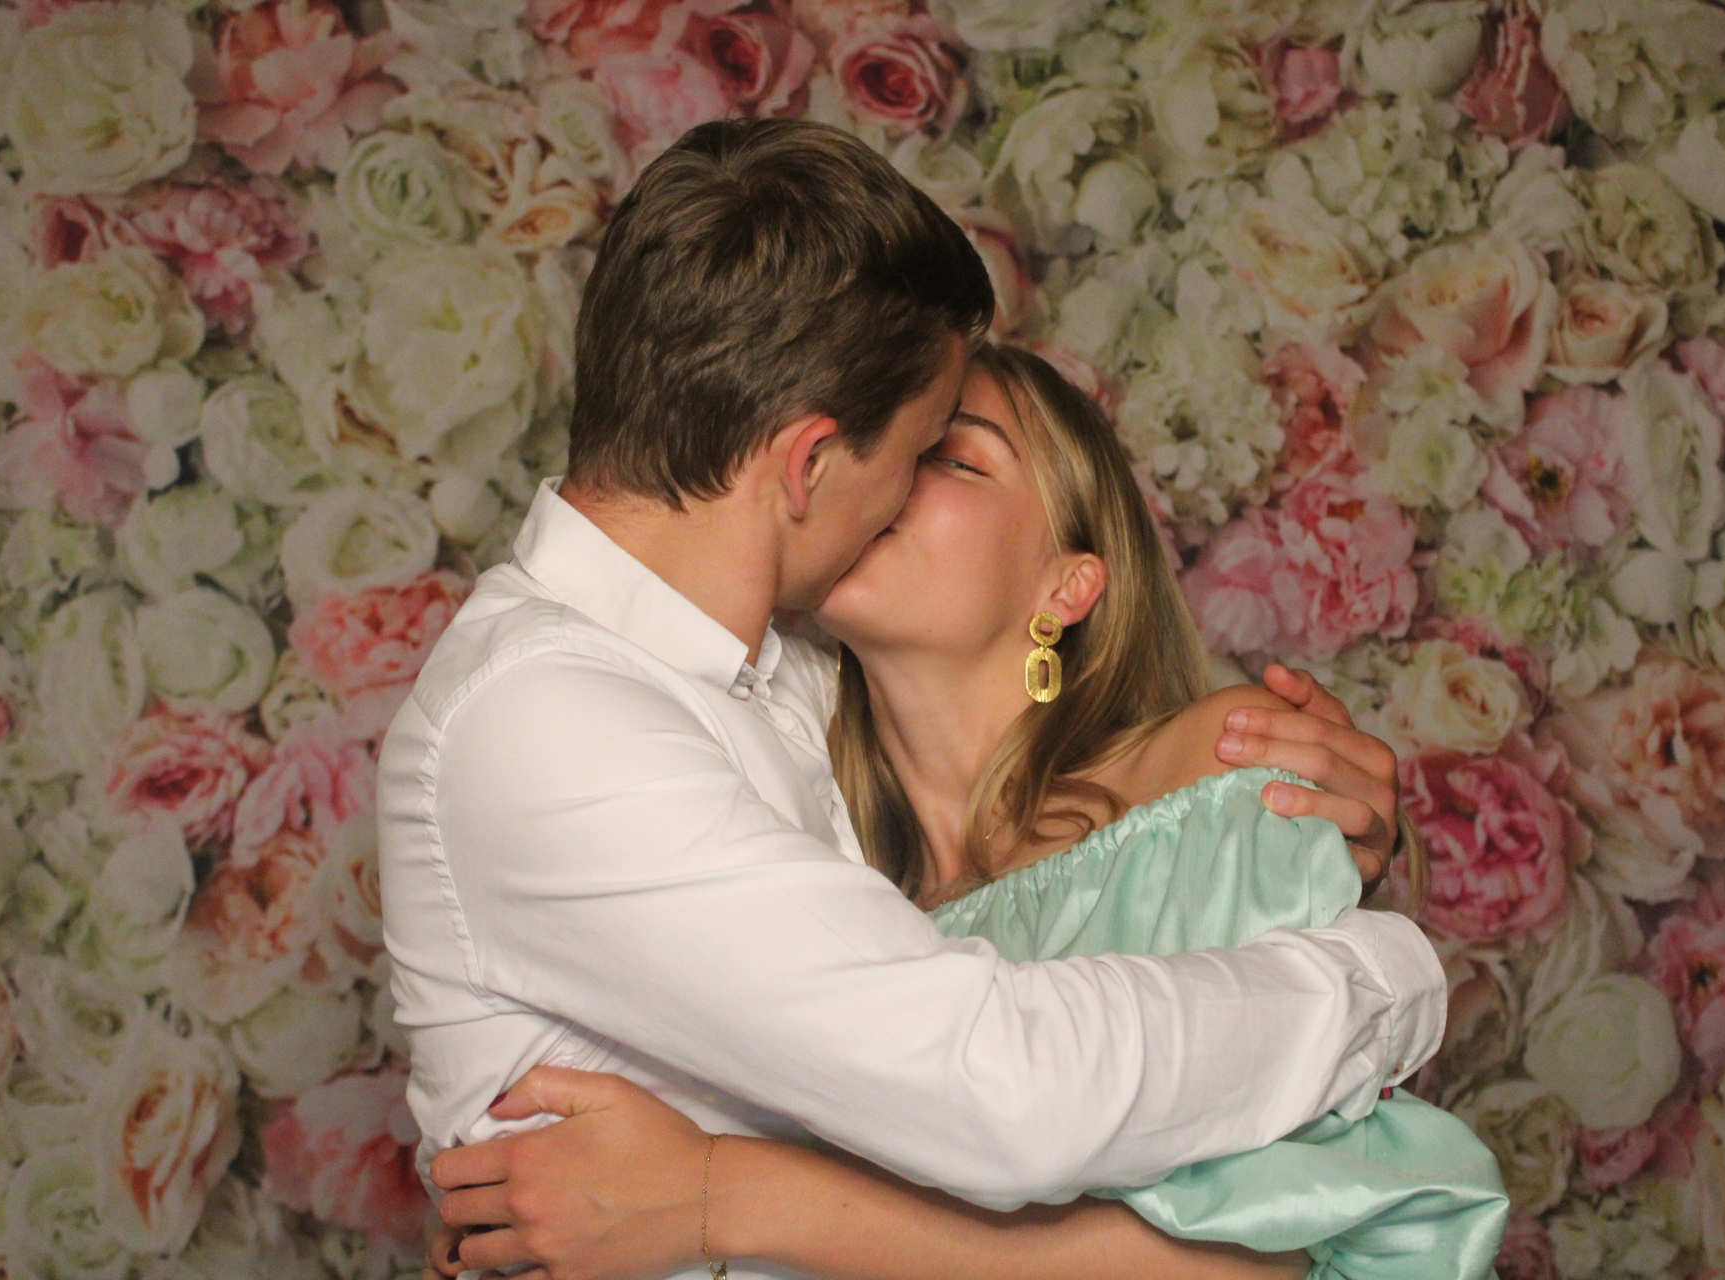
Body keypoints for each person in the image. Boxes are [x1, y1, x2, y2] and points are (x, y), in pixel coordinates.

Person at [379, 118, 1447, 1280]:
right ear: (807, 463)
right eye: (921, 445)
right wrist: (1386, 979)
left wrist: (1316, 831)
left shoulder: (778, 683)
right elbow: (1002, 1086)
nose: (903, 494)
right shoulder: (548, 723)